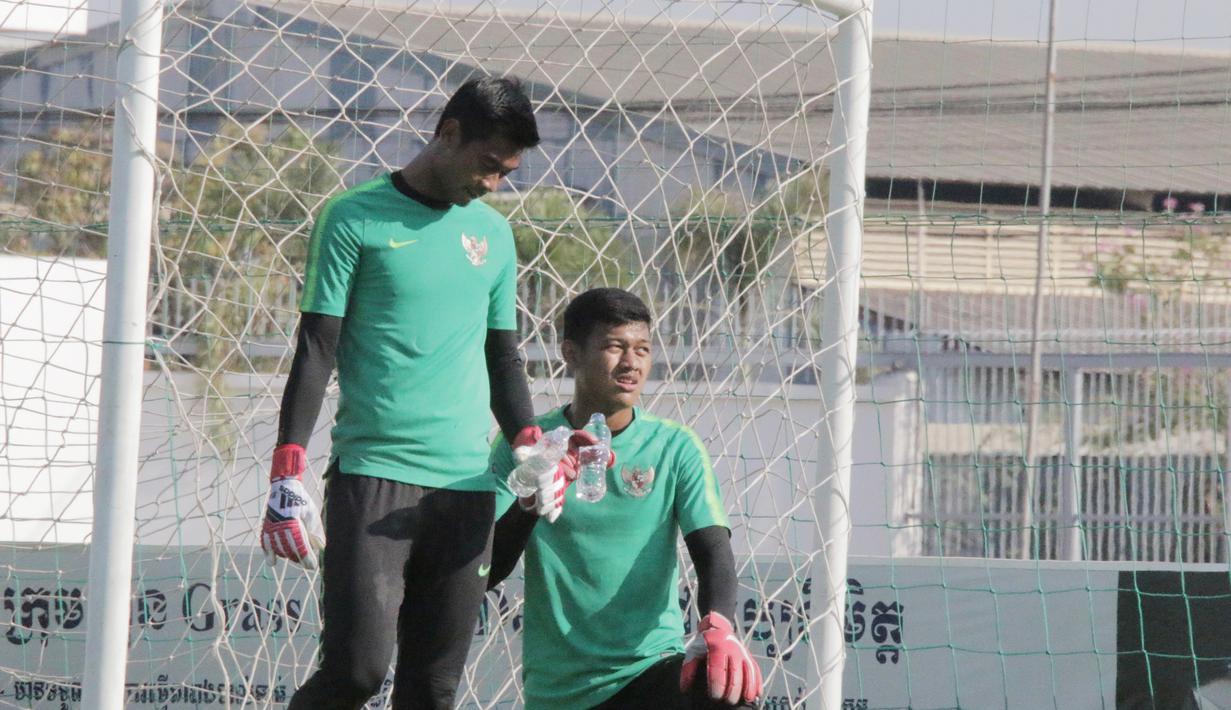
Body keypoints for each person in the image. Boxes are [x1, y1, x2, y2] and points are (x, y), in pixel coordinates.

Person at [259, 76, 556, 710]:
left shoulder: (494, 237)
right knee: (357, 672)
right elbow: (315, 350)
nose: (493, 184)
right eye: (487, 166)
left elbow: (502, 355)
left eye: (506, 173)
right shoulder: (353, 216)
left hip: (471, 487)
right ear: (448, 134)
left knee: (433, 689)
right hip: (375, 477)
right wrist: (286, 470)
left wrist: (529, 444)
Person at [486, 287, 764, 710]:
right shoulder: (526, 445)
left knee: (727, 691)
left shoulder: (675, 446)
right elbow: (486, 568)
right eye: (614, 347)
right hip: (560, 690)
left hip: (651, 667)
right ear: (571, 353)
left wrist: (719, 626)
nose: (631, 363)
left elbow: (713, 548)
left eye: (642, 349)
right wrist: (532, 499)